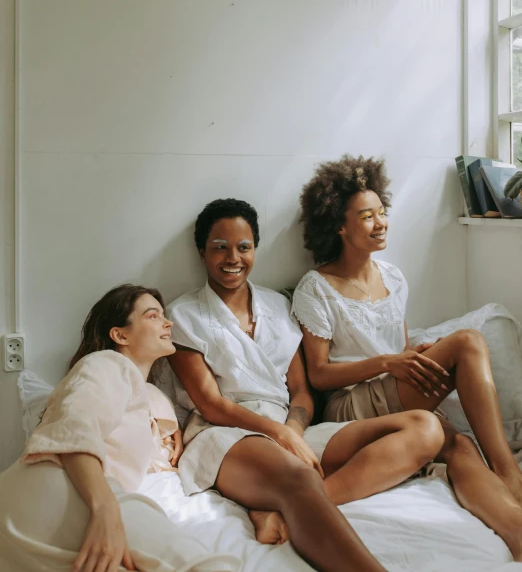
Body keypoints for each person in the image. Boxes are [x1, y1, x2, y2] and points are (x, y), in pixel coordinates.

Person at [167, 198, 445, 572]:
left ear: (255, 250)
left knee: (426, 428)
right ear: (202, 252)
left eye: (243, 247)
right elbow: (212, 404)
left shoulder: (278, 307)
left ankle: (279, 510)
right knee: (298, 475)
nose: (233, 257)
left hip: (288, 427)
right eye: (220, 247)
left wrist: (293, 430)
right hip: (227, 433)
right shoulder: (183, 314)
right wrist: (281, 437)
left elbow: (300, 390)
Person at [293, 154, 522, 561]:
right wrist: (387, 363)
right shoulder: (316, 287)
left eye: (382, 212)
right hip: (348, 405)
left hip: (390, 392)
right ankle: (509, 471)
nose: (381, 222)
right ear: (340, 226)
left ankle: (516, 532)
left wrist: (405, 356)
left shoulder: (393, 277)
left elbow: (397, 349)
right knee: (467, 341)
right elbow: (320, 375)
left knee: (459, 446)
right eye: (367, 216)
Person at [0, 283, 240, 572]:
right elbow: (76, 424)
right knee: (201, 566)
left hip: (29, 511)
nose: (168, 322)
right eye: (153, 316)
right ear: (120, 334)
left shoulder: (146, 398)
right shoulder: (107, 362)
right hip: (65, 483)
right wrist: (106, 508)